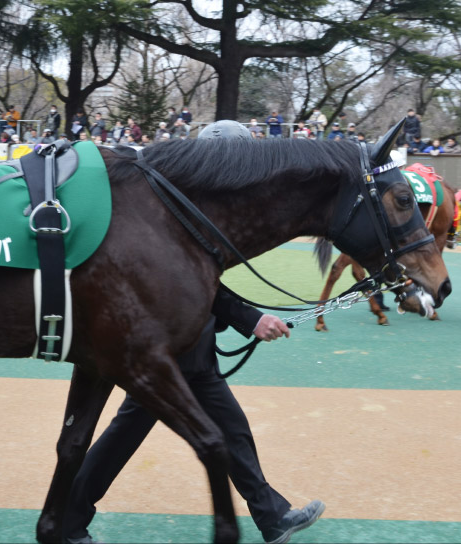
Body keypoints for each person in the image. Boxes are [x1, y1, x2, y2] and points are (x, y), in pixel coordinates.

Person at [61, 120, 326, 544]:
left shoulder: (197, 207)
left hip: (192, 349)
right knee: (127, 435)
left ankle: (272, 517)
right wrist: (251, 319)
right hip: (170, 350)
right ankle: (66, 519)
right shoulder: (174, 208)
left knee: (228, 429)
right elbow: (200, 285)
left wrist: (248, 318)